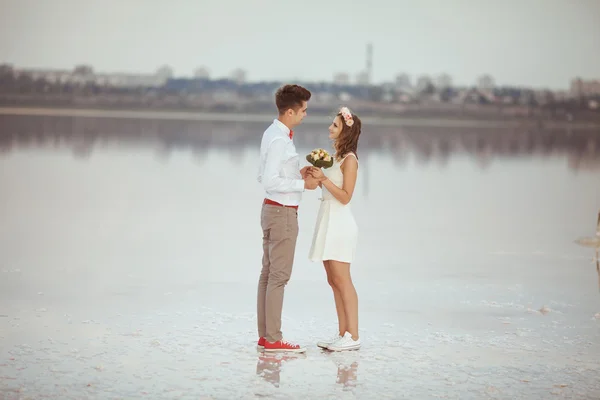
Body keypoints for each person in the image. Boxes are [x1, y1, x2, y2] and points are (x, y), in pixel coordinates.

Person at [256, 84, 319, 353]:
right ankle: (273, 339)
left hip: (273, 209)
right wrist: (303, 185)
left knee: (269, 275)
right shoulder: (280, 139)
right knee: (278, 277)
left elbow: (267, 175)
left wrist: (297, 172)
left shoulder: (273, 133)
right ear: (290, 111)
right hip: (281, 212)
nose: (305, 114)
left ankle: (266, 337)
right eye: (303, 110)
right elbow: (268, 180)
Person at [307, 106, 362, 352]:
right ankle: (343, 333)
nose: (330, 127)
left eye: (335, 125)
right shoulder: (335, 159)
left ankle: (354, 334)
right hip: (327, 219)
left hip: (340, 222)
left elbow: (346, 196)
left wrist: (325, 179)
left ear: (346, 133)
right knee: (332, 280)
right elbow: (324, 189)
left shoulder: (350, 161)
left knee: (343, 280)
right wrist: (314, 176)